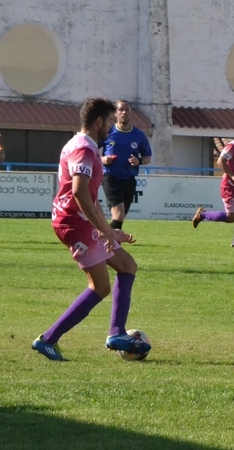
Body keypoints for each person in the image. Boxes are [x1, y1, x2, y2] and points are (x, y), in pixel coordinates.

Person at [31, 98, 150, 361]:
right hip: (73, 223)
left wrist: (110, 230)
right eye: (109, 121)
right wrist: (104, 231)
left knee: (127, 266)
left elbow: (91, 199)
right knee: (100, 286)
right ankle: (48, 339)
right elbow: (79, 192)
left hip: (80, 220)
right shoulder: (84, 148)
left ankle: (117, 332)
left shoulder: (82, 145)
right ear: (99, 122)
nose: (111, 126)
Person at [192, 120, 234, 247]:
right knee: (231, 218)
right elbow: (220, 161)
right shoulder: (233, 146)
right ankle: (202, 215)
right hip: (229, 185)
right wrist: (232, 175)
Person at [101, 100, 153, 230]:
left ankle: (105, 236)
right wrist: (102, 159)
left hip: (129, 179)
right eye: (121, 110)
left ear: (130, 112)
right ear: (115, 113)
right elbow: (90, 150)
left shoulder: (138, 135)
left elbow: (148, 157)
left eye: (127, 110)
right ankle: (110, 240)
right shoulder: (108, 132)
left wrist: (138, 161)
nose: (124, 112)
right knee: (118, 214)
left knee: (120, 217)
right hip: (110, 177)